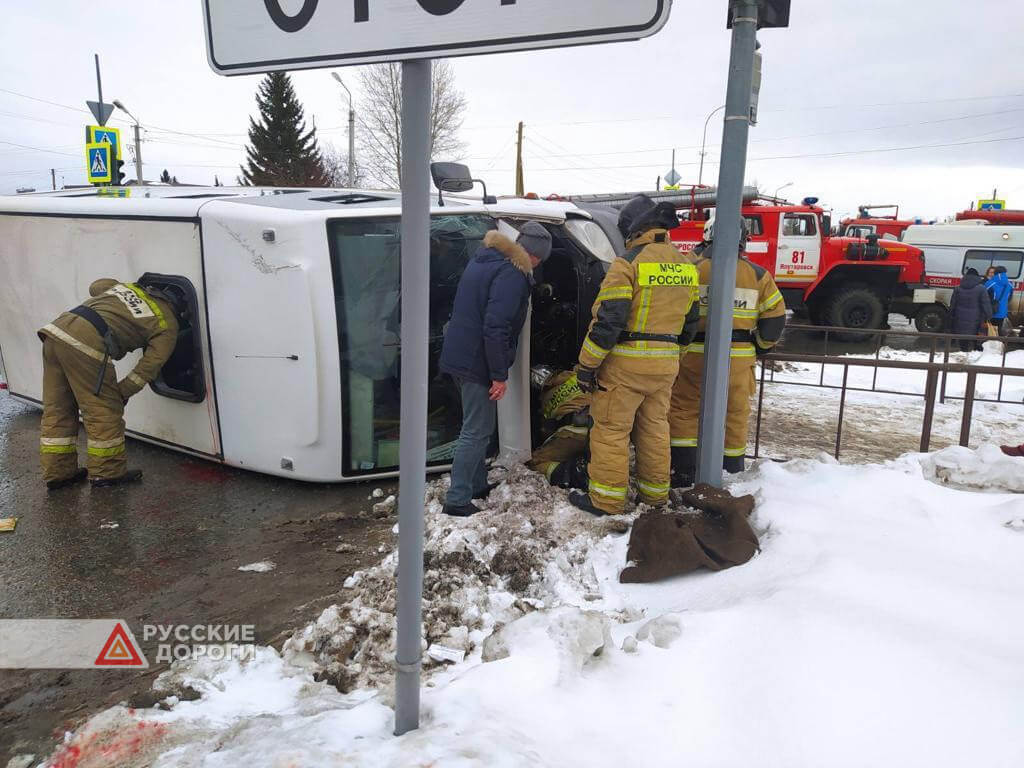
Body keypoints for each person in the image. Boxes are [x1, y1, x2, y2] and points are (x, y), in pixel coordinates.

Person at [569, 195, 700, 516]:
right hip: (666, 364)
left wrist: (587, 365)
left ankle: (606, 500)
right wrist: (673, 354)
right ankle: (655, 497)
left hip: (626, 364)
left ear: (633, 228)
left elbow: (608, 322)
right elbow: (691, 321)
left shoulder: (628, 263)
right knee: (655, 428)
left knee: (611, 431)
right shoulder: (686, 266)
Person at [439, 222, 552, 517]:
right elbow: (496, 326)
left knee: (477, 426)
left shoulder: (485, 259)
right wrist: (499, 374)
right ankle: (458, 497)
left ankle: (476, 484)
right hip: (476, 359)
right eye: (539, 260)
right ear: (534, 255)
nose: (537, 266)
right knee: (476, 430)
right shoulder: (512, 274)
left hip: (461, 354)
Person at [668, 218, 786, 486]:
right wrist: (760, 346)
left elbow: (673, 309)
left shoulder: (691, 270)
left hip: (693, 353)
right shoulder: (758, 276)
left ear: (708, 236)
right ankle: (731, 472)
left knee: (684, 409)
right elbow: (775, 319)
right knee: (734, 413)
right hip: (739, 357)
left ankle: (684, 471)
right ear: (743, 241)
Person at [39, 279, 180, 489]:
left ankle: (59, 473)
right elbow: (148, 368)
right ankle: (108, 472)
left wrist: (119, 287)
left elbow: (96, 286)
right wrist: (121, 393)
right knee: (103, 411)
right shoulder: (168, 326)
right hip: (86, 341)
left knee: (58, 409)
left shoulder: (131, 288)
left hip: (56, 331)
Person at [526, 368, 591, 490]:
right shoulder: (573, 376)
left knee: (535, 462)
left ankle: (576, 473)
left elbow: (548, 430)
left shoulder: (547, 397)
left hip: (575, 433)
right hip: (604, 430)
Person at [949, 267, 993, 352]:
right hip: (976, 320)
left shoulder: (957, 288)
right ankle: (974, 358)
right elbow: (986, 305)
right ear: (977, 277)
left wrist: (950, 318)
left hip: (960, 319)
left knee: (963, 341)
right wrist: (989, 315)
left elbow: (952, 305)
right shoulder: (981, 288)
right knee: (975, 339)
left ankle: (963, 353)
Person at [985, 265, 1013, 336]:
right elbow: (1009, 299)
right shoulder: (1010, 285)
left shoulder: (989, 284)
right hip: (1003, 313)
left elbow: (984, 298)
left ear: (995, 273)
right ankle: (998, 344)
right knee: (999, 332)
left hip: (991, 313)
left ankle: (990, 345)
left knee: (990, 332)